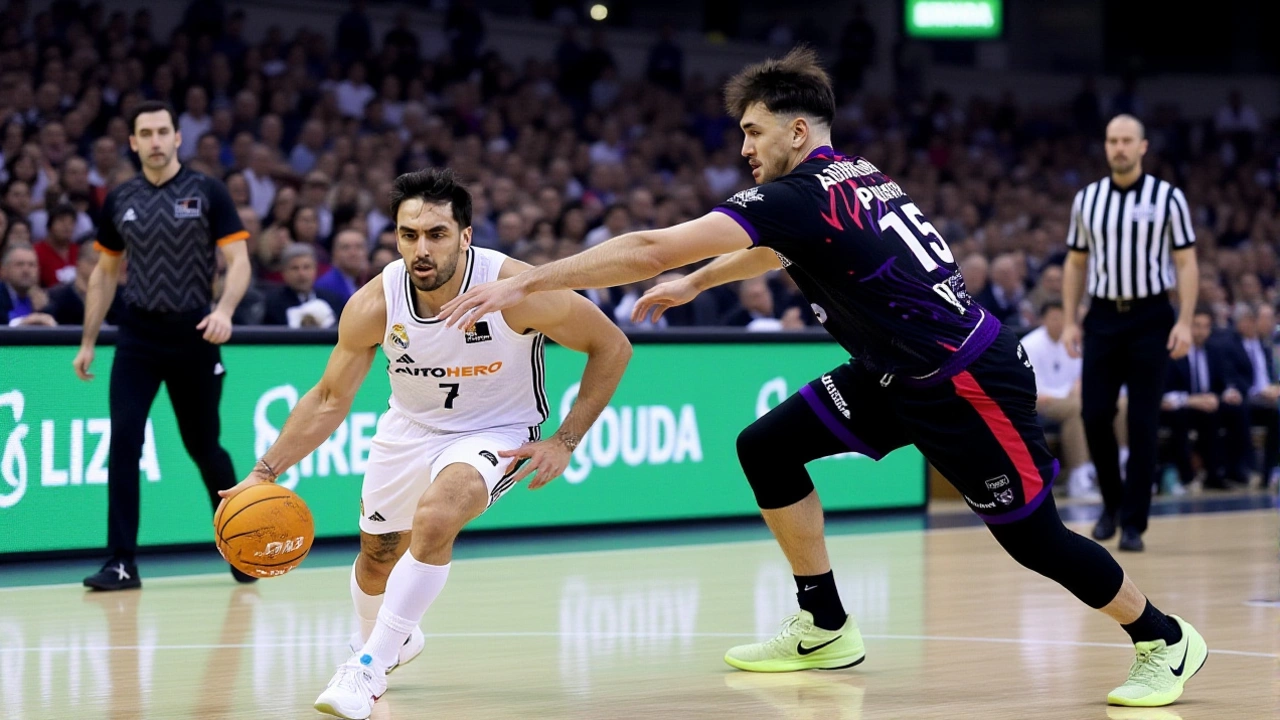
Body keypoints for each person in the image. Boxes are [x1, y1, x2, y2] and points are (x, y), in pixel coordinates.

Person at [440, 47, 1207, 709]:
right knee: (766, 449)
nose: (744, 144)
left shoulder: (801, 192)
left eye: (753, 129)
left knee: (1035, 541)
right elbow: (779, 249)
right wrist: (700, 285)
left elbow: (647, 248)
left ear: (797, 130)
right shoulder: (847, 176)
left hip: (965, 379)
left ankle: (1162, 638)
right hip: (893, 373)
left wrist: (527, 281)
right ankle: (826, 625)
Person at [217, 168, 631, 720]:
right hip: (410, 428)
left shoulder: (516, 289)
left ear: (465, 236)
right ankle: (392, 642)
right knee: (375, 557)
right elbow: (328, 398)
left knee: (437, 517)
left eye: (436, 233)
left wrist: (565, 439)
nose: (421, 248)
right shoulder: (375, 302)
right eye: (409, 235)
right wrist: (264, 473)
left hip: (498, 431)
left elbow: (612, 346)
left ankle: (364, 668)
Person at [75, 101, 254, 591]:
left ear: (177, 137)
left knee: (204, 447)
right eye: (144, 133)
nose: (154, 140)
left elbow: (238, 261)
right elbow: (105, 273)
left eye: (162, 131)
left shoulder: (208, 191)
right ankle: (121, 562)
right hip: (137, 337)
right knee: (124, 442)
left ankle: (241, 548)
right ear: (132, 142)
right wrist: (88, 341)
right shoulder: (120, 198)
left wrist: (224, 312)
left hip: (195, 334)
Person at [1060, 114, 1199, 552]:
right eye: (1112, 140)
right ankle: (1111, 505)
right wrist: (1069, 319)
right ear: (1106, 147)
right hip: (1102, 316)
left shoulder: (1168, 198)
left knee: (1142, 421)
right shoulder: (1088, 199)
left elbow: (1186, 262)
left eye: (1126, 140)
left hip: (1151, 316)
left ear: (1142, 147)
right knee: (1094, 414)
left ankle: (1135, 521)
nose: (1118, 147)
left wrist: (1184, 320)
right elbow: (1076, 263)